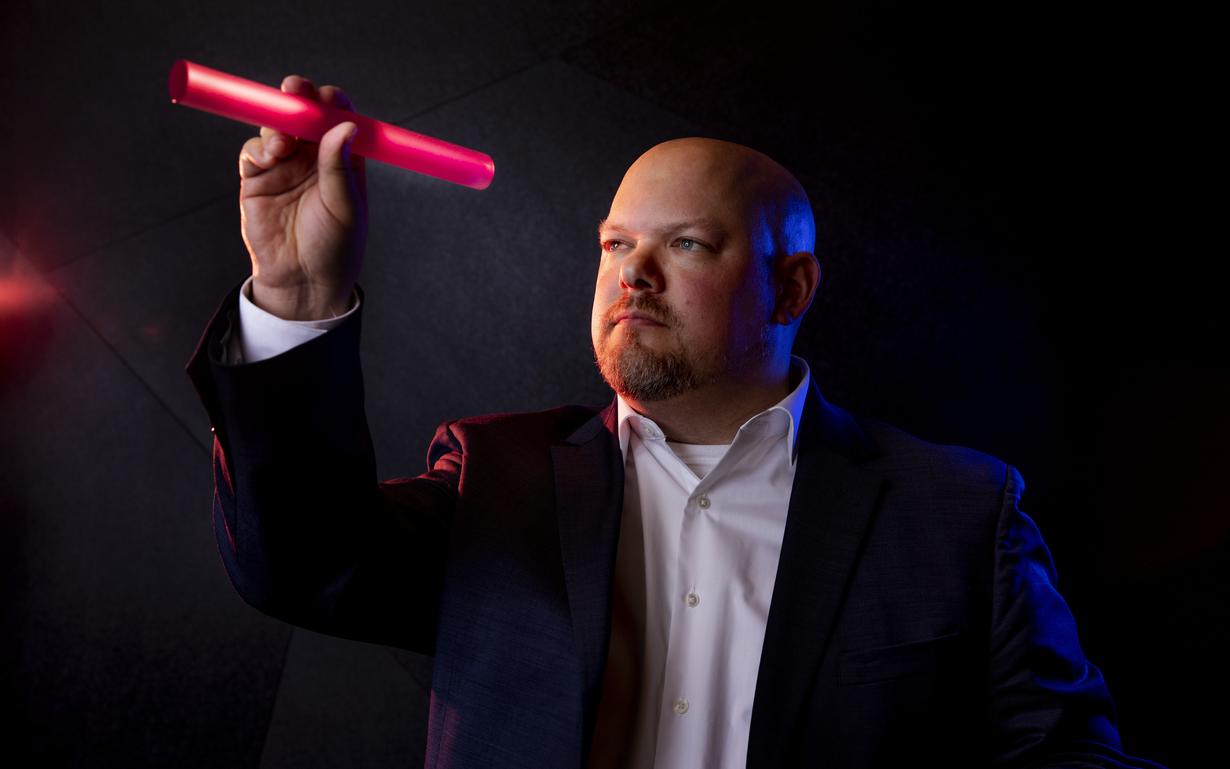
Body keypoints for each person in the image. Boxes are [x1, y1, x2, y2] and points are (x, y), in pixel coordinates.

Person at [186, 76, 1164, 769]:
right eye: (616, 243)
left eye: (686, 243)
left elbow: (1069, 753)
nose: (632, 274)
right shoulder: (499, 478)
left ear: (791, 286)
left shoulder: (958, 514)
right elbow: (299, 562)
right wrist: (296, 291)